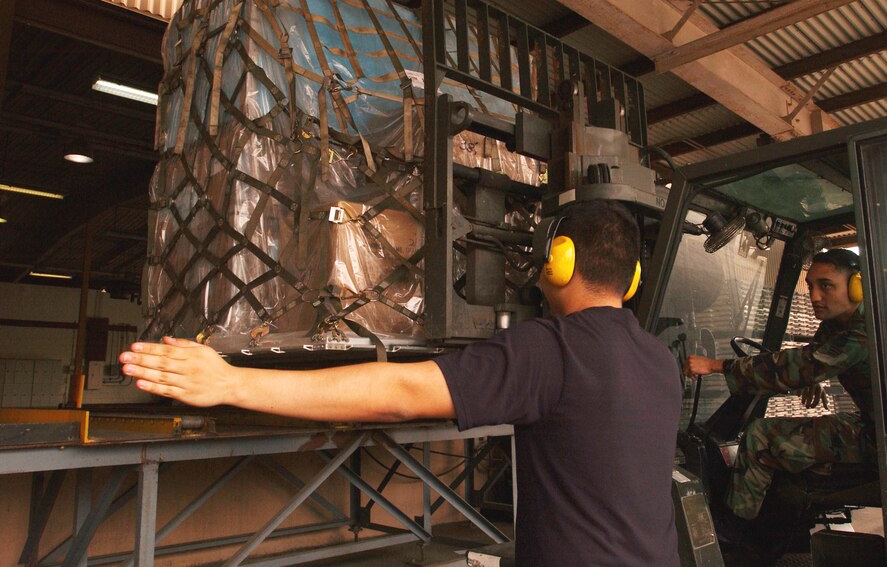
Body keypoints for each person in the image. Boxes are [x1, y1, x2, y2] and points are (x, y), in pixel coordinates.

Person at [120, 199, 681, 567]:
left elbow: (400, 394)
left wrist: (232, 382)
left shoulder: (548, 349)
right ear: (632, 278)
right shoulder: (661, 363)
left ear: (558, 262)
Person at [685, 248, 871, 523]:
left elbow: (801, 365)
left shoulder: (864, 330)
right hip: (872, 424)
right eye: (810, 286)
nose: (814, 297)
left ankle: (735, 533)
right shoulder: (838, 324)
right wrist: (813, 378)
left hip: (878, 438)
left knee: (761, 436)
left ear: (857, 287)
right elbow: (815, 357)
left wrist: (716, 365)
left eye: (826, 286)